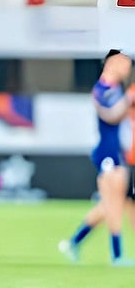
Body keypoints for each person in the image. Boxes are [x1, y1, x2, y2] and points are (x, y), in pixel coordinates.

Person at [59, 50, 135, 266]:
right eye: (125, 63)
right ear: (113, 63)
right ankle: (116, 254)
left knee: (111, 203)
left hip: (117, 151)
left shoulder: (116, 90)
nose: (128, 69)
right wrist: (129, 99)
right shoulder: (102, 90)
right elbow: (110, 115)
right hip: (107, 153)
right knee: (113, 203)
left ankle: (75, 241)